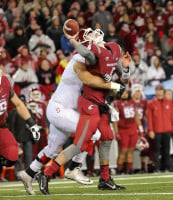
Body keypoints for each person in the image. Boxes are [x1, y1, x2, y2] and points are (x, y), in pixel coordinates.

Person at [17, 28, 124, 195]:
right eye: (89, 35)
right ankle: (74, 168)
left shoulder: (95, 57)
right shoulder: (80, 58)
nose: (94, 36)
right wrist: (114, 85)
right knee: (93, 134)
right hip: (61, 108)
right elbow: (89, 79)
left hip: (63, 109)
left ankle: (28, 173)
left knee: (52, 149)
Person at [0, 70, 40, 182]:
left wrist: (32, 124)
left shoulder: (5, 82)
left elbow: (18, 103)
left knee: (12, 156)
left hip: (1, 127)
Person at [147, 84, 173, 172]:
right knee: (156, 150)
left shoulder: (168, 102)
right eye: (157, 90)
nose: (159, 92)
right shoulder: (151, 103)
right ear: (155, 91)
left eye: (160, 90)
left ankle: (168, 167)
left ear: (163, 91)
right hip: (157, 130)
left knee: (167, 150)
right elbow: (149, 118)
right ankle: (156, 167)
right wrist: (150, 130)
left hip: (167, 130)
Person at [113, 89, 143, 174]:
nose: (124, 94)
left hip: (133, 130)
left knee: (131, 151)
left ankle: (128, 170)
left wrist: (141, 130)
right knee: (123, 151)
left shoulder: (132, 103)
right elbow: (115, 120)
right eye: (122, 93)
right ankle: (119, 170)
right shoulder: (117, 103)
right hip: (123, 130)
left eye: (126, 92)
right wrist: (116, 132)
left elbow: (136, 117)